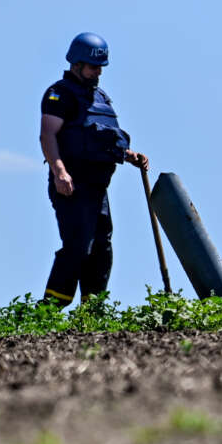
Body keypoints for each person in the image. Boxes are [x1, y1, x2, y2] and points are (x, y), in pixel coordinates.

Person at [39, 32, 149, 306]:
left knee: (101, 247)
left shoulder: (100, 97)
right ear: (76, 64)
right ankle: (49, 309)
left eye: (100, 67)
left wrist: (128, 154)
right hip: (72, 184)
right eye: (93, 66)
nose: (98, 72)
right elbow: (48, 135)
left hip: (98, 187)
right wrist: (59, 172)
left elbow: (99, 139)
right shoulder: (59, 94)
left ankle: (93, 308)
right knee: (78, 246)